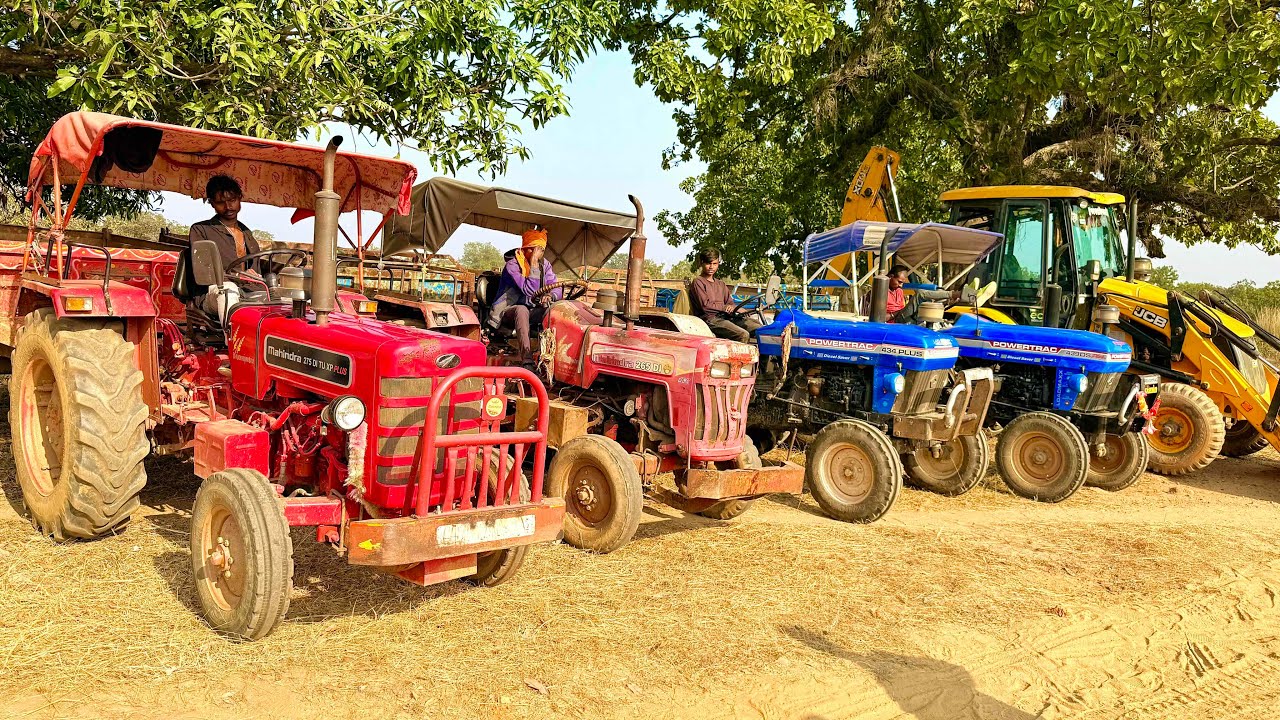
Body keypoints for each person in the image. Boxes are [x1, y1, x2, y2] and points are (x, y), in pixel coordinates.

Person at [188, 175, 262, 320]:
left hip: (248, 292)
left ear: (240, 198)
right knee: (229, 292)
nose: (228, 207)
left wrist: (255, 276)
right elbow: (204, 271)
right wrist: (237, 277)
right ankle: (233, 341)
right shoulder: (200, 230)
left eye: (232, 200)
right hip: (213, 292)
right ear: (212, 203)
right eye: (221, 202)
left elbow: (256, 270)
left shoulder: (247, 233)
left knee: (283, 299)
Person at [488, 227, 562, 362]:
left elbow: (557, 288)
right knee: (521, 310)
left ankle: (553, 357)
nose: (537, 254)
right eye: (533, 250)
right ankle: (527, 360)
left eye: (540, 251)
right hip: (507, 311)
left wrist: (551, 296)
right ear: (524, 249)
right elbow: (530, 290)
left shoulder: (545, 266)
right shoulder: (513, 265)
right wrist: (533, 264)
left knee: (555, 310)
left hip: (532, 310)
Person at [689, 249, 761, 343]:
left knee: (760, 329)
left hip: (726, 317)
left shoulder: (721, 284)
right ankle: (739, 357)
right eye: (708, 263)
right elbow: (706, 306)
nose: (711, 267)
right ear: (702, 263)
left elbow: (729, 303)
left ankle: (764, 357)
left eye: (715, 264)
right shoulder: (698, 282)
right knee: (742, 334)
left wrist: (737, 309)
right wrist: (725, 307)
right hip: (710, 319)